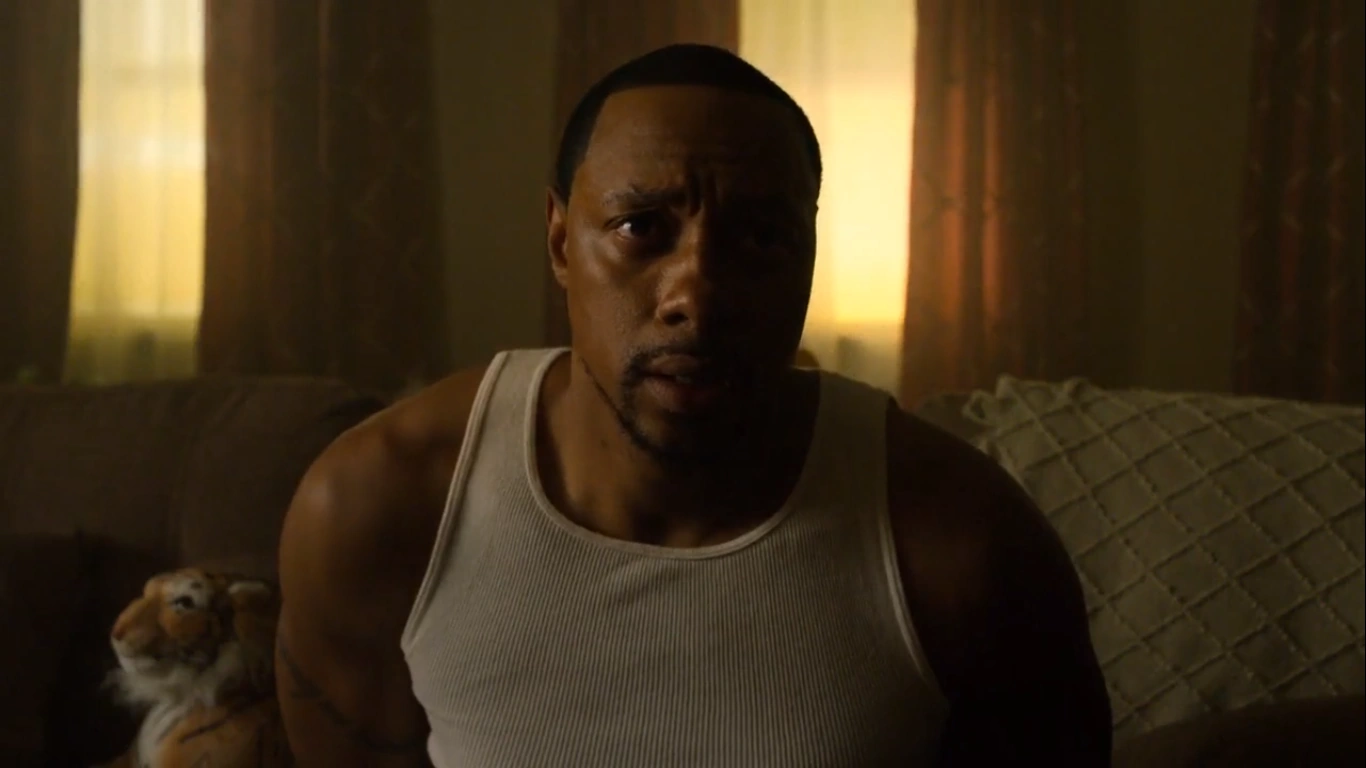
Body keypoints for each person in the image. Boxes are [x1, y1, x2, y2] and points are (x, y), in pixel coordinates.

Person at [274, 44, 1112, 767]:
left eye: (762, 238)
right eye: (641, 228)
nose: (697, 298)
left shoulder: (962, 545)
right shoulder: (379, 506)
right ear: (561, 241)